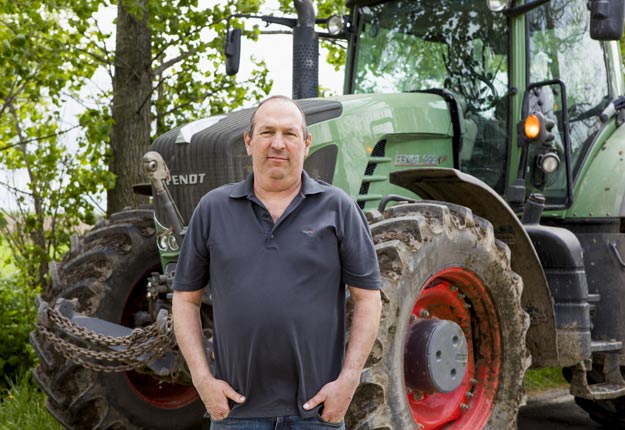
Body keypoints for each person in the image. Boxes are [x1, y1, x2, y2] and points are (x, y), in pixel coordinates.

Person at [172, 95, 382, 430]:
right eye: (268, 132)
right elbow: (185, 300)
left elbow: (368, 298)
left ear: (307, 143)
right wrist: (201, 378)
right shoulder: (212, 210)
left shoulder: (338, 208)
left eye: (290, 133)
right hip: (235, 413)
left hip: (316, 413)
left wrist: (349, 379)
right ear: (248, 142)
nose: (278, 144)